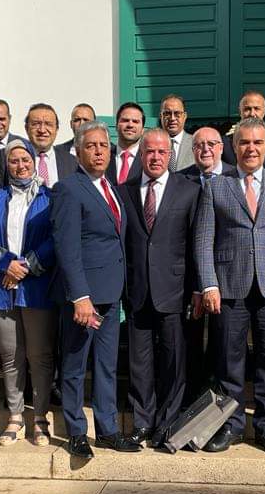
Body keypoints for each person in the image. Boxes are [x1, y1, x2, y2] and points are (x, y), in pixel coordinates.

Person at [195, 117, 265, 454]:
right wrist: (209, 285)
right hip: (230, 287)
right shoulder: (217, 185)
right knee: (228, 360)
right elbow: (203, 241)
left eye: (258, 142)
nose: (251, 149)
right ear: (234, 146)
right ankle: (231, 425)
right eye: (244, 142)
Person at [52, 120, 141, 458]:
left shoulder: (111, 188)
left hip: (111, 295)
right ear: (78, 152)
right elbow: (67, 248)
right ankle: (76, 432)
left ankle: (107, 430)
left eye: (103, 145)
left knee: (106, 367)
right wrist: (80, 296)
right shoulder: (68, 189)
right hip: (85, 299)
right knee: (75, 368)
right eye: (90, 146)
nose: (99, 151)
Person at [118, 128, 201, 449]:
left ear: (170, 155)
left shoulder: (189, 190)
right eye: (149, 151)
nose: (155, 157)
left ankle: (166, 424)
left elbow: (195, 244)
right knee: (139, 363)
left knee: (173, 362)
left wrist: (195, 290)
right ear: (141, 155)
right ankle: (142, 423)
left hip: (175, 292)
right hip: (137, 291)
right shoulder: (124, 191)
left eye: (161, 152)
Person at [0, 138, 58, 446]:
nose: (20, 165)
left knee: (39, 355)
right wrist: (6, 264)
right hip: (1, 289)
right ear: (6, 165)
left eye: (25, 160)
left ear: (34, 162)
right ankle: (15, 415)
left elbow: (55, 237)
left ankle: (40, 416)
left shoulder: (49, 197)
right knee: (10, 355)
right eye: (14, 160)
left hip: (36, 289)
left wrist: (25, 267)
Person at [178, 127, 232, 398]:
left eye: (212, 144)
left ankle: (220, 395)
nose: (206, 149)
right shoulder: (180, 180)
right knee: (189, 341)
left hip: (229, 274)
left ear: (221, 147)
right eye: (199, 145)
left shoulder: (236, 177)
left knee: (224, 343)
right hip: (188, 276)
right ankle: (191, 395)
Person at [0, 103, 77, 190]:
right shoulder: (6, 155)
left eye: (48, 124)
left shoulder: (71, 161)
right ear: (26, 128)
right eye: (36, 124)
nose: (42, 130)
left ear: (56, 129)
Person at [222, 91, 265, 164]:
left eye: (256, 109)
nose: (252, 114)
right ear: (240, 111)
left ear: (264, 111)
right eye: (247, 109)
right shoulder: (225, 143)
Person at [107, 102, 145, 185]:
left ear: (143, 130)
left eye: (135, 121)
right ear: (116, 126)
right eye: (125, 120)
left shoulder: (148, 159)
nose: (130, 125)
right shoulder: (105, 155)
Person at [158, 94, 195, 171]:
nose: (172, 118)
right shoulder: (151, 144)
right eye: (167, 114)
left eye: (177, 113)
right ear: (161, 116)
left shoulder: (196, 143)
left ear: (184, 116)